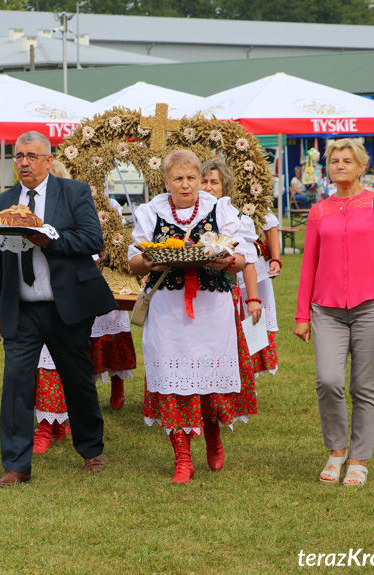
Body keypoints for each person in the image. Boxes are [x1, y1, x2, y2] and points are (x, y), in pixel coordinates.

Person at [0, 130, 117, 487]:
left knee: (77, 381)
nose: (24, 162)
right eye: (18, 156)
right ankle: (16, 465)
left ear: (47, 159)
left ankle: (91, 450)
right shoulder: (3, 204)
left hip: (66, 307)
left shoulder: (73, 192)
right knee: (15, 384)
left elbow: (93, 239)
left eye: (31, 155)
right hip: (22, 310)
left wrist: (50, 238)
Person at [128, 150, 257, 484]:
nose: (185, 185)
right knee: (173, 381)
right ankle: (182, 457)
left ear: (200, 178)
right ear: (166, 181)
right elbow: (134, 262)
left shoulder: (219, 208)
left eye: (191, 178)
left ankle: (213, 433)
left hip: (211, 307)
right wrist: (150, 262)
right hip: (168, 310)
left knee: (209, 379)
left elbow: (241, 258)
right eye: (177, 179)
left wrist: (225, 262)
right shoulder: (150, 211)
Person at [294, 138, 374, 487]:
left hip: (372, 305)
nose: (340, 165)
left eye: (347, 160)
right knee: (328, 380)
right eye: (334, 160)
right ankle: (336, 451)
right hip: (325, 309)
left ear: (362, 166)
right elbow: (309, 265)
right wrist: (302, 314)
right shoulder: (319, 211)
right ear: (327, 168)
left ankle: (359, 459)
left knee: (364, 385)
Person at [50, 159, 136, 409]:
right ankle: (82, 389)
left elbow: (115, 239)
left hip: (106, 270)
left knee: (112, 326)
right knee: (86, 334)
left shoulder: (110, 206)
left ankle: (117, 383)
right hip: (77, 272)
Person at [200, 158, 279, 377]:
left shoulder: (238, 218)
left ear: (223, 186)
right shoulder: (190, 216)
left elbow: (249, 262)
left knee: (234, 345)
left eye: (213, 182)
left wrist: (253, 300)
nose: (208, 187)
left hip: (229, 290)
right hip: (198, 292)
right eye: (203, 181)